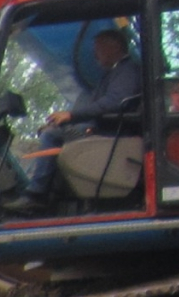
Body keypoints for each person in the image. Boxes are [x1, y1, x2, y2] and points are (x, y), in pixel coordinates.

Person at [26, 27, 141, 201]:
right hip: (104, 128)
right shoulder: (114, 73)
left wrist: (72, 116)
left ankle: (37, 194)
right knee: (54, 131)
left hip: (111, 131)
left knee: (51, 136)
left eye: (99, 49)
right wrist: (64, 121)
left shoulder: (126, 71)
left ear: (114, 48)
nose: (95, 55)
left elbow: (113, 103)